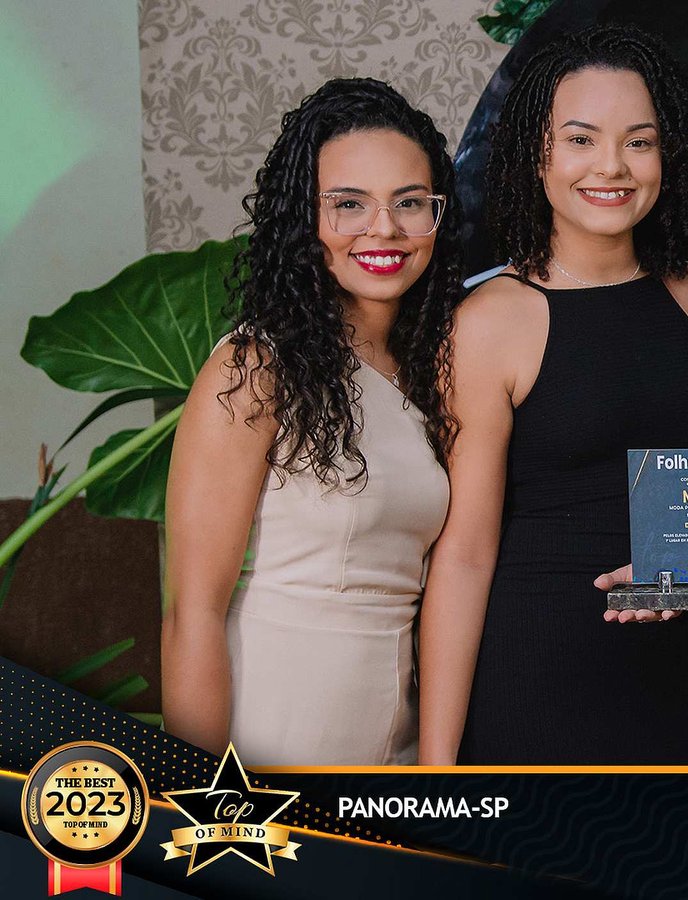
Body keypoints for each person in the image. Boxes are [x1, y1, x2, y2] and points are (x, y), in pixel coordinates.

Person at [420, 25, 688, 764]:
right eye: (580, 139)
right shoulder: (489, 322)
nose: (612, 165)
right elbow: (465, 555)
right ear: (534, 154)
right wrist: (437, 762)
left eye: (639, 142)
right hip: (547, 677)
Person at [162, 78, 461, 764]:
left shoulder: (435, 369)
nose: (384, 229)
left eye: (409, 202)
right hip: (271, 738)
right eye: (349, 204)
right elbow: (191, 613)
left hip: (399, 751)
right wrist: (201, 798)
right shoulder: (255, 366)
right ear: (304, 218)